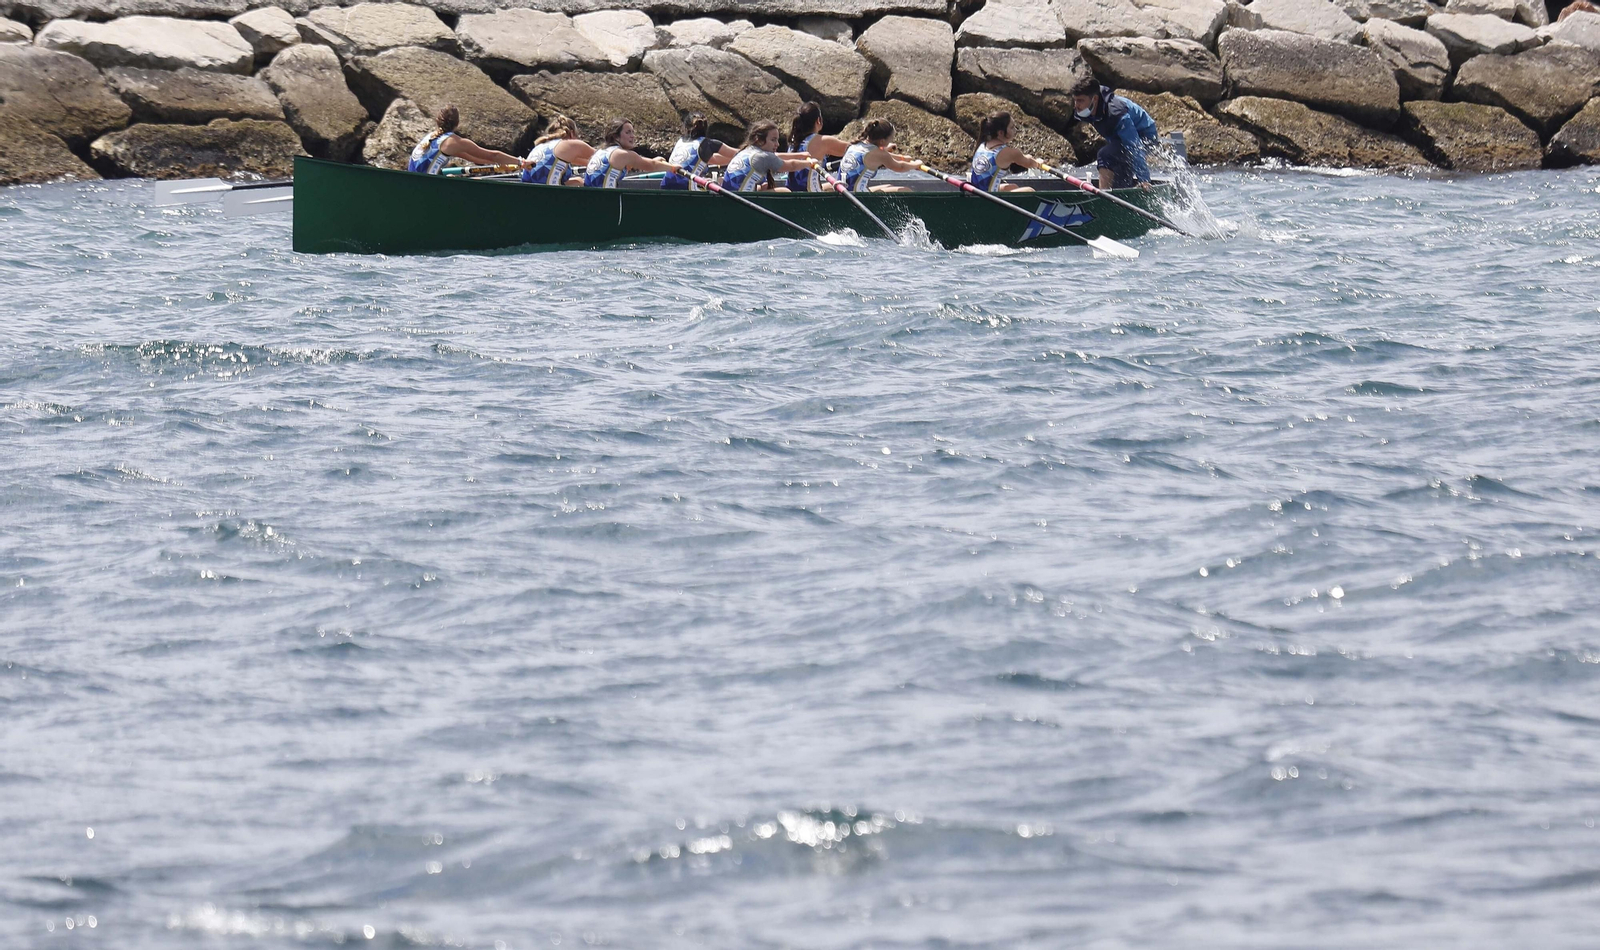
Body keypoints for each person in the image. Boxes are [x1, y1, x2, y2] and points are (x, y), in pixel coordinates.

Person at [1068, 77, 1158, 191]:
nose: (1076, 105)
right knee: (1120, 181)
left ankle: (1102, 197)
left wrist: (1144, 179)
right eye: (1075, 100)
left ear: (1094, 99)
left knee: (1105, 155)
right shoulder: (1085, 109)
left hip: (1144, 138)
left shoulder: (1117, 114)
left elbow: (1134, 146)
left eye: (1080, 100)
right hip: (1119, 139)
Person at [408, 105, 527, 175]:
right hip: (425, 187)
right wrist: (521, 162)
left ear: (437, 121)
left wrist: (505, 164)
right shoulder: (454, 142)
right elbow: (493, 155)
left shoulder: (431, 137)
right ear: (458, 123)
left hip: (413, 183)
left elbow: (472, 158)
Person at [582, 119, 680, 188]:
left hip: (590, 199)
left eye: (633, 132)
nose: (633, 136)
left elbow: (638, 163)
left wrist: (654, 161)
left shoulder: (601, 151)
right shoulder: (622, 154)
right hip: (606, 201)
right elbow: (652, 166)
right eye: (628, 132)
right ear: (615, 136)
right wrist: (673, 168)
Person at [721, 122, 813, 192]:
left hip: (730, 197)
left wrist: (800, 155)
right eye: (773, 140)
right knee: (785, 191)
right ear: (759, 140)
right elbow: (791, 166)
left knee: (765, 186)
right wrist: (810, 163)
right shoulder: (764, 157)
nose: (777, 144)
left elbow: (776, 156)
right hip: (741, 200)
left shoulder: (748, 150)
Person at [784, 101, 853, 192]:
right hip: (812, 194)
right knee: (847, 184)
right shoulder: (822, 141)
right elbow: (854, 151)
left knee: (832, 184)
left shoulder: (794, 140)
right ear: (818, 120)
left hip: (793, 191)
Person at [838, 119, 920, 193]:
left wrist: (903, 158)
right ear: (882, 141)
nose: (891, 140)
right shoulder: (879, 154)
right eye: (891, 138)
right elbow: (900, 167)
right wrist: (916, 164)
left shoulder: (856, 144)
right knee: (905, 190)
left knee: (888, 187)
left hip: (843, 191)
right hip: (857, 197)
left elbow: (880, 155)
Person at [661, 113, 738, 191]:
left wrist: (731, 160)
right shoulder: (709, 144)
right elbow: (739, 154)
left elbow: (712, 159)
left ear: (685, 127)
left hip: (665, 186)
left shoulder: (680, 141)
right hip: (687, 189)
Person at [969, 112, 1040, 193]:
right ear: (1000, 133)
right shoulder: (1009, 152)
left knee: (1012, 187)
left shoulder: (983, 144)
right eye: (1012, 127)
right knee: (1030, 191)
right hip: (989, 198)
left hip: (976, 193)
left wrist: (1027, 157)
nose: (1015, 130)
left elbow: (1022, 158)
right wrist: (1038, 162)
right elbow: (1030, 163)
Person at [521, 115, 593, 186]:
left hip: (529, 192)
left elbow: (582, 161)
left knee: (578, 181)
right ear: (572, 133)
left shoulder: (542, 146)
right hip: (550, 194)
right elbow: (601, 157)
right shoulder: (570, 144)